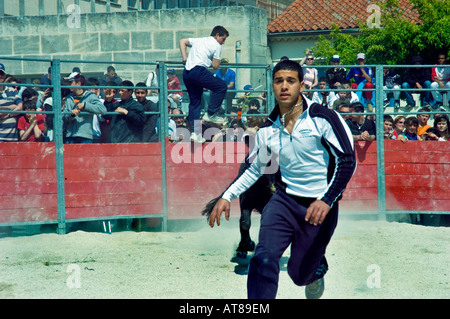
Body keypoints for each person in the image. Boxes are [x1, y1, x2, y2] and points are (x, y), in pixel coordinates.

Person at [208, 59, 356, 299]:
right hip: (283, 203)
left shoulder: (323, 118)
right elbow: (255, 168)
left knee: (299, 275)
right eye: (279, 81)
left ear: (301, 86)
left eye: (290, 81)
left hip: (319, 208)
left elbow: (347, 161)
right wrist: (227, 196)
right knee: (263, 258)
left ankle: (316, 271)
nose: (284, 86)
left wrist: (327, 199)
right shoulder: (267, 128)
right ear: (273, 86)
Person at [179, 25, 229, 143]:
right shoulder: (216, 45)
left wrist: (184, 57)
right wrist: (214, 61)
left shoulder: (199, 40)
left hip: (187, 72)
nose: (223, 43)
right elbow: (216, 66)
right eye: (223, 39)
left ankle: (195, 133)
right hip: (199, 71)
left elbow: (182, 41)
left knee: (195, 102)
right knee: (221, 87)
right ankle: (211, 113)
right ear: (217, 35)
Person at [62, 72, 107, 144]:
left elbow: (103, 110)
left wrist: (85, 105)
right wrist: (71, 115)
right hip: (70, 136)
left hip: (85, 136)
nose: (68, 85)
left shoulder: (90, 96)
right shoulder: (68, 98)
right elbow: (64, 116)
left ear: (78, 83)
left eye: (70, 82)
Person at [0, 65, 23, 142]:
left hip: (12, 139)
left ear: (5, 76)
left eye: (1, 74)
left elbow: (21, 107)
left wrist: (8, 114)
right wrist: (12, 107)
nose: (0, 76)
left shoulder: (11, 90)